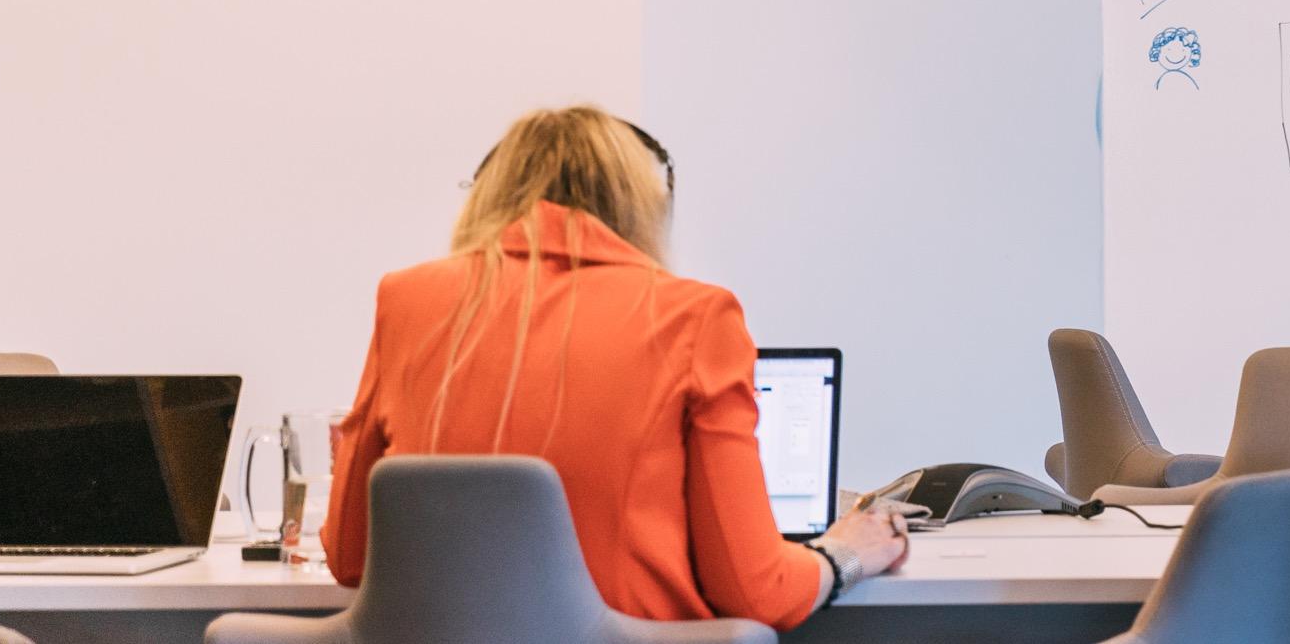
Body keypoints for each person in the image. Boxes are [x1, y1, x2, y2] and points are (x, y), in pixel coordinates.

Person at [325, 107, 909, 629]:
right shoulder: (694, 314)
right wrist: (846, 552)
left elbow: (351, 557)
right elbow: (757, 591)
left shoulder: (406, 301)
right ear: (645, 204)